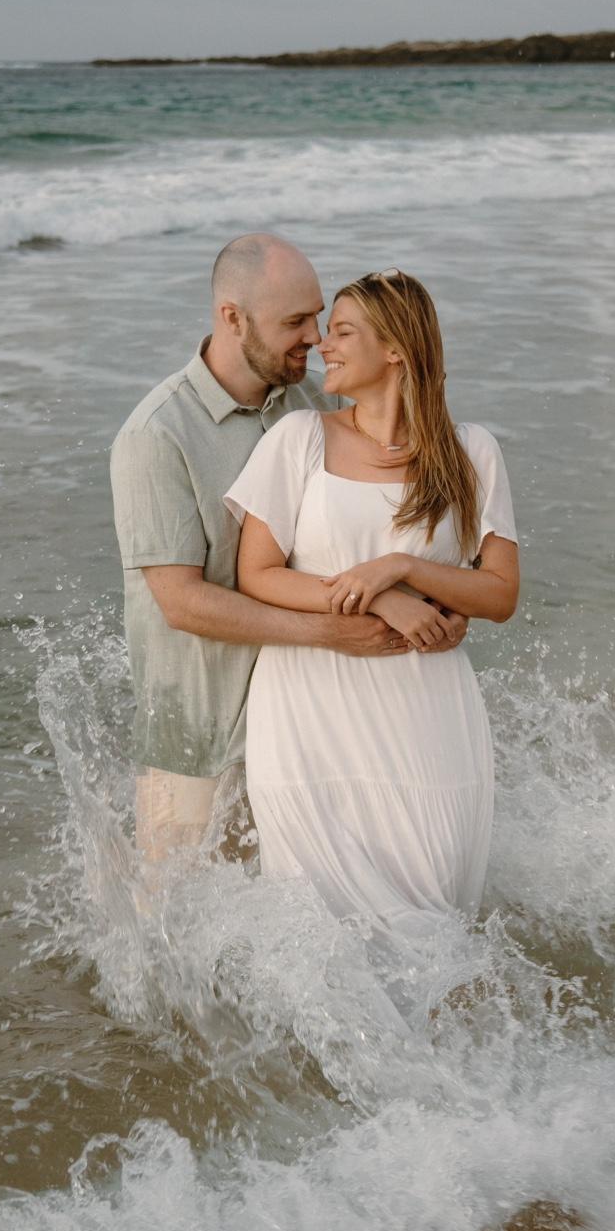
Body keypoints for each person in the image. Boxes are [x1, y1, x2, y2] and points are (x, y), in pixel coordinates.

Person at [110, 237, 468, 863]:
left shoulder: (320, 403)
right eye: (295, 322)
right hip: (202, 741)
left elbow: (375, 530)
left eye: (318, 317)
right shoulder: (157, 434)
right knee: (178, 914)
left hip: (316, 729)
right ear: (233, 318)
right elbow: (183, 603)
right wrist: (335, 630)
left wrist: (440, 604)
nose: (315, 337)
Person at [224, 269, 519, 936]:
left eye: (342, 332)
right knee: (317, 923)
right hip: (308, 711)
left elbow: (500, 594)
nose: (322, 344)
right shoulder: (299, 438)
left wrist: (404, 567)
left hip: (426, 713)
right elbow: (258, 574)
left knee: (435, 914)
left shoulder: (471, 453)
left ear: (395, 350)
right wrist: (381, 600)